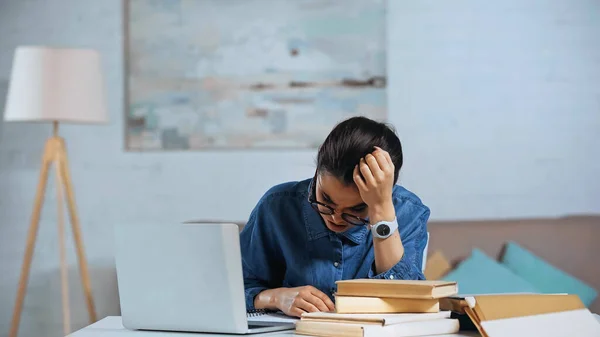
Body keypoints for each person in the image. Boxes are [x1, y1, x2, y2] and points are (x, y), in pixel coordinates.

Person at [239, 116, 430, 318]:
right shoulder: (277, 206)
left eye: (356, 210)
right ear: (317, 172)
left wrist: (381, 212)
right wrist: (275, 298)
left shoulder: (408, 212)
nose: (336, 218)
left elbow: (408, 303)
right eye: (326, 200)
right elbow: (231, 291)